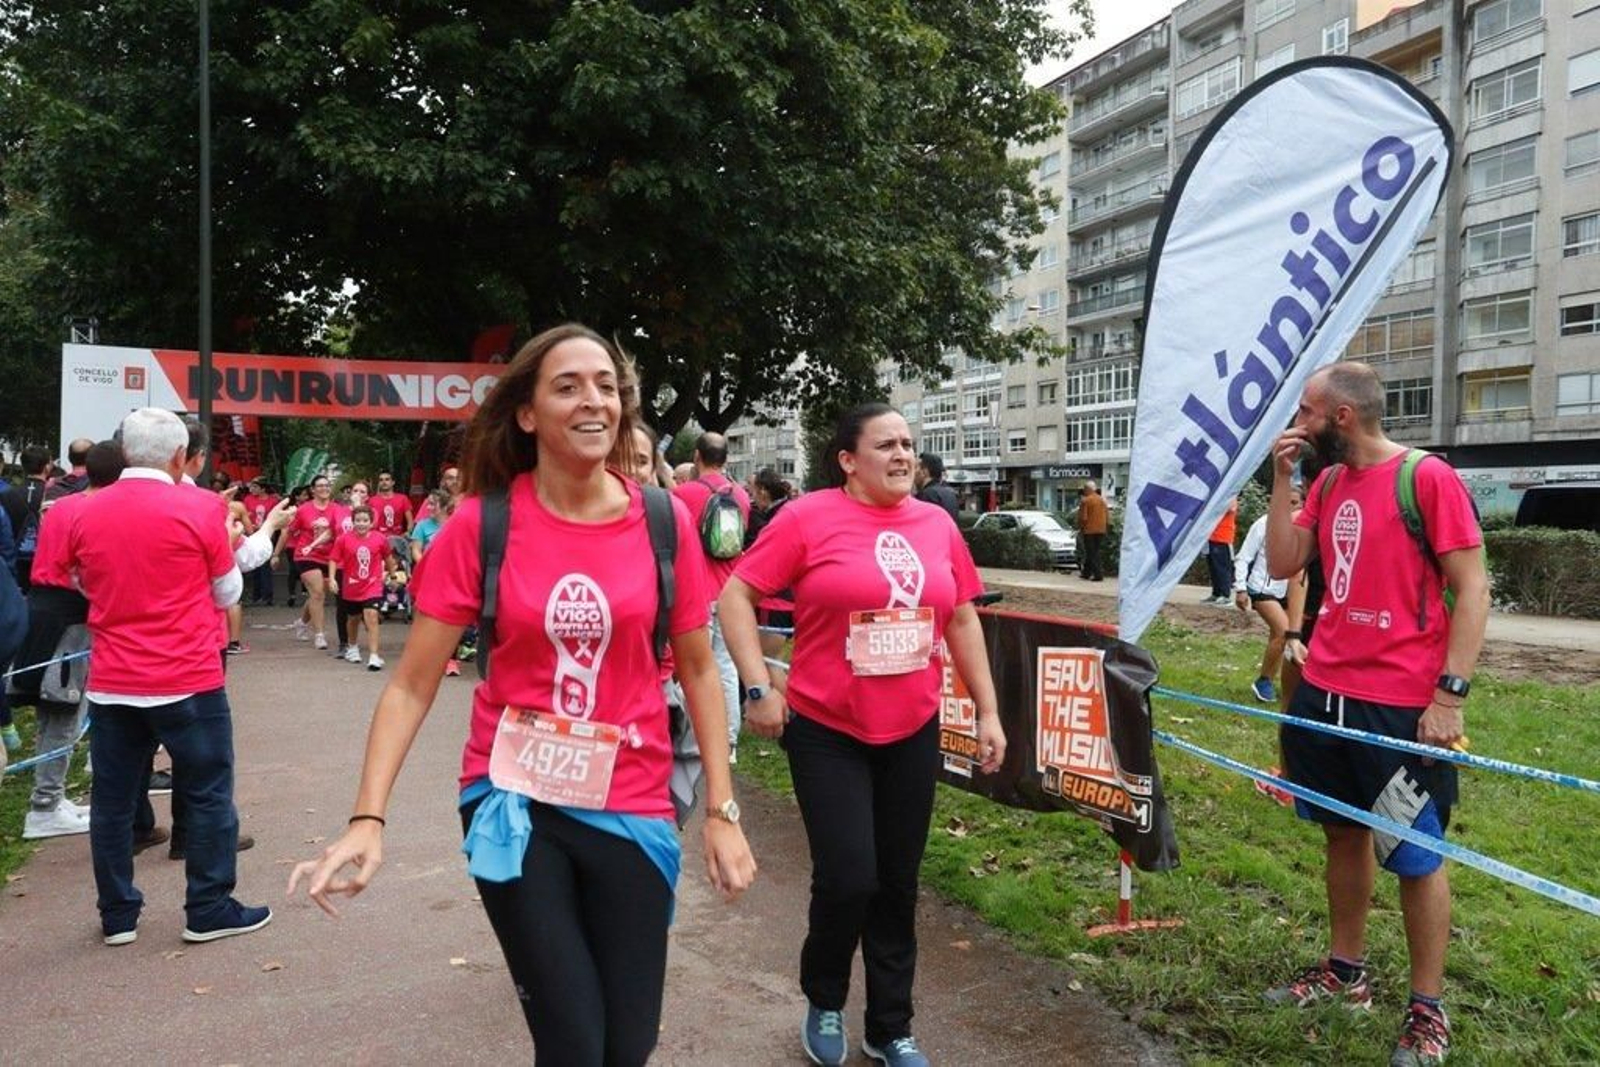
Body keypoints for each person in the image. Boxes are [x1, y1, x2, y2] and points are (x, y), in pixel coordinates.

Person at [289, 324, 756, 1064]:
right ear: (529, 413)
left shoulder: (665, 522)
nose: (592, 399)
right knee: (572, 1041)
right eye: (567, 385)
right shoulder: (483, 523)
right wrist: (367, 817)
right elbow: (411, 684)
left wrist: (722, 811)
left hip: (635, 801)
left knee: (626, 1047)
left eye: (605, 385)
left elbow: (699, 669)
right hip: (515, 802)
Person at [719, 402, 1005, 1067]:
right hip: (827, 727)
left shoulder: (936, 523)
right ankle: (824, 996)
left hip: (910, 726)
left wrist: (988, 710)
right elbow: (736, 595)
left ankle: (889, 1026)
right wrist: (758, 686)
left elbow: (960, 617)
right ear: (848, 460)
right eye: (886, 444)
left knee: (897, 881)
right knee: (849, 875)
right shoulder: (806, 518)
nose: (903, 454)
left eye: (908, 443)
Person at [1263, 362, 1489, 1067]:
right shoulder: (1327, 482)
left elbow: (1473, 586)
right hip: (1324, 694)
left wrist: (1448, 696)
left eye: (1306, 411)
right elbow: (1280, 561)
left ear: (1341, 418)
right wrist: (1282, 479)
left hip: (1397, 707)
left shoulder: (1427, 478)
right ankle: (1345, 972)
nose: (1296, 421)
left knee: (1414, 856)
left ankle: (1427, 1011)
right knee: (1342, 833)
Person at [68, 408, 271, 945]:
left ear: (124, 450)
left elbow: (77, 579)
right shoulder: (201, 506)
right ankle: (207, 907)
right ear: (181, 457)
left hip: (113, 679)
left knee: (111, 802)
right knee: (207, 793)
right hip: (188, 675)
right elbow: (227, 592)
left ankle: (117, 916)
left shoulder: (82, 511)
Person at [12, 441, 125, 840]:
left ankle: (52, 798)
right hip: (66, 618)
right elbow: (88, 571)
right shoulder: (96, 512)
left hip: (45, 609)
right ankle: (44, 806)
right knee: (61, 712)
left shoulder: (62, 504)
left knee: (57, 711)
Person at [673, 432, 751, 761]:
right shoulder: (741, 496)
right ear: (726, 459)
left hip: (696, 593)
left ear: (697, 455)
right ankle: (729, 742)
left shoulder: (685, 494)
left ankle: (693, 737)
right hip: (732, 592)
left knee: (692, 668)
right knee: (727, 667)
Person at [1233, 487, 1301, 704]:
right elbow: (1243, 557)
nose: (1291, 508)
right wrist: (1241, 588)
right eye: (1287, 502)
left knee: (1285, 636)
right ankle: (1263, 681)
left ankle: (1283, 683)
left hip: (1287, 591)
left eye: (1296, 503)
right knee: (1284, 633)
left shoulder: (1302, 527)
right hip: (1262, 589)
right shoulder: (1263, 524)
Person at [275, 475, 343, 649]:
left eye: (327, 485)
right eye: (319, 486)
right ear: (312, 490)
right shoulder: (303, 509)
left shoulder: (338, 509)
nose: (324, 488)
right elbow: (287, 532)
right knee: (318, 592)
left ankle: (302, 622)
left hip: (330, 557)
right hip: (306, 555)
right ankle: (319, 635)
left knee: (317, 594)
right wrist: (276, 554)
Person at [329, 504, 396, 670]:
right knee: (353, 618)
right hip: (351, 584)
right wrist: (331, 579)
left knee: (371, 615)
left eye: (365, 520)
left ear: (371, 522)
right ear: (352, 522)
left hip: (372, 584)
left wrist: (393, 575)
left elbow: (388, 558)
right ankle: (352, 647)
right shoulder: (343, 539)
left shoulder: (380, 538)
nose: (361, 523)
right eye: (358, 520)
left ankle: (374, 655)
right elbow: (333, 559)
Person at [1203, 497, 1238, 605]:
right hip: (1211, 536)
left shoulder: (1231, 497)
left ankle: (1225, 595)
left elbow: (1231, 508)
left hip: (1223, 537)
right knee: (1213, 567)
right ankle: (1216, 593)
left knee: (1222, 567)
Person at [1077, 479, 1109, 582]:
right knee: (1094, 551)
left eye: (1085, 489)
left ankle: (1098, 574)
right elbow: (1107, 516)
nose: (1084, 491)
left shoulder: (1086, 501)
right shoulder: (1102, 500)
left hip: (1089, 530)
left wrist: (1081, 527)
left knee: (1091, 552)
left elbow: (1083, 518)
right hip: (1101, 530)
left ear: (1087, 489)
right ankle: (1086, 572)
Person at [912, 452, 958, 521]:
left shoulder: (927, 495)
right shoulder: (950, 493)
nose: (913, 472)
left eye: (915, 467)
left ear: (924, 472)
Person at [371, 469, 414, 538]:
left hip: (399, 539)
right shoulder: (372, 500)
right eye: (381, 480)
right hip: (378, 539)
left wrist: (407, 533)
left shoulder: (403, 498)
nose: (384, 482)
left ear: (393, 482)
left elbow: (410, 521)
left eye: (387, 479)